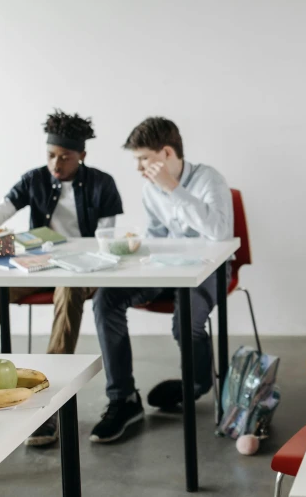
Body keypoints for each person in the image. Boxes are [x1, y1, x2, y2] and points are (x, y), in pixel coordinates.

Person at [0, 109, 123, 445]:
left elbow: (107, 240)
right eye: (51, 155)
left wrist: (79, 256)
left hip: (83, 270)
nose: (56, 164)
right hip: (38, 265)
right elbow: (3, 209)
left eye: (65, 157)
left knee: (68, 292)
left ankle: (49, 401)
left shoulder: (103, 183)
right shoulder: (34, 179)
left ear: (82, 155)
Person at [89, 117, 233, 443]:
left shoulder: (210, 179)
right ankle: (123, 399)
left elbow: (221, 234)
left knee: (185, 320)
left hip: (212, 268)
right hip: (168, 267)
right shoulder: (149, 190)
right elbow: (157, 237)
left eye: (143, 158)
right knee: (106, 299)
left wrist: (173, 188)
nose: (139, 168)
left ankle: (196, 384)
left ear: (166, 153)